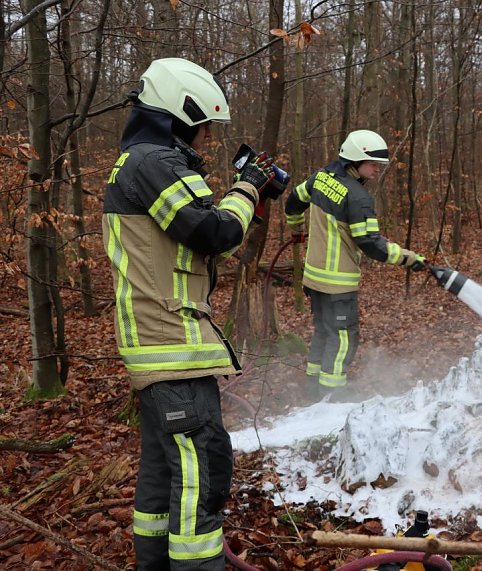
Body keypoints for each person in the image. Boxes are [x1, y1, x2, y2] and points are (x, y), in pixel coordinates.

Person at [102, 58, 285, 570]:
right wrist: (250, 185)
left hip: (162, 349)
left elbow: (193, 243)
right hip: (172, 345)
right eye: (204, 127)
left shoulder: (138, 162)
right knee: (201, 475)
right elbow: (216, 233)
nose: (206, 139)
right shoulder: (153, 164)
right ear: (180, 116)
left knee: (164, 476)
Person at [284, 129, 426, 399]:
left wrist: (296, 230)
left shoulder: (320, 178)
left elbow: (293, 202)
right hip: (338, 284)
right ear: (355, 161)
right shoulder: (358, 197)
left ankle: (312, 391)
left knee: (323, 333)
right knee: (343, 338)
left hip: (313, 280)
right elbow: (370, 243)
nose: (376, 169)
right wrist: (409, 258)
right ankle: (331, 397)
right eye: (373, 163)